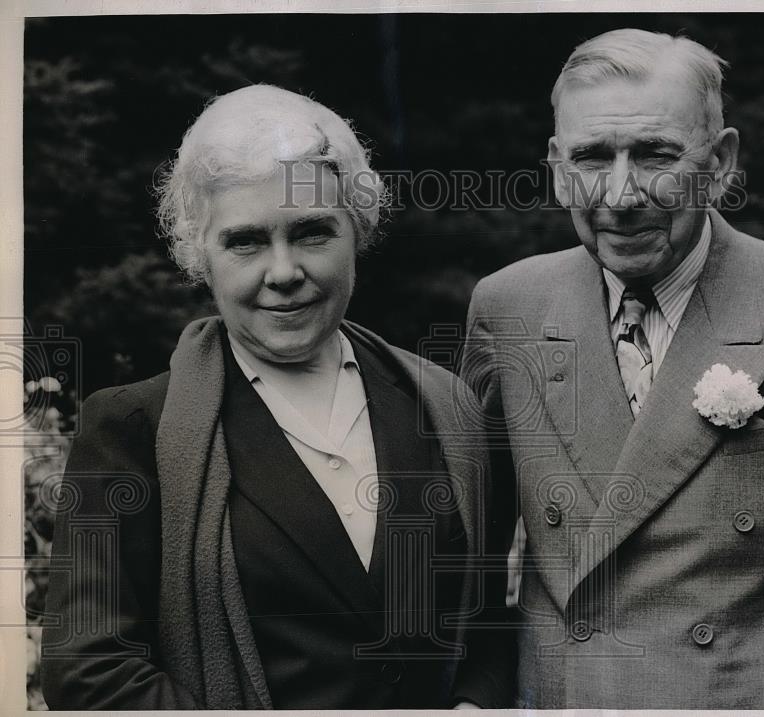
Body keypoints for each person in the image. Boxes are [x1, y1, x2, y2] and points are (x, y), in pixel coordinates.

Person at [462, 29, 764, 709]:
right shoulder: (506, 307)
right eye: (593, 158)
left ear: (720, 164)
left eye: (655, 154)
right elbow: (471, 572)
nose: (622, 195)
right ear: (557, 166)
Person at [41, 85, 510, 710]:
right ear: (198, 253)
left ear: (358, 230)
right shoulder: (131, 428)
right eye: (246, 241)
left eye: (312, 232)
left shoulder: (445, 408)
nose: (283, 271)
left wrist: (476, 704)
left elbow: (491, 620)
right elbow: (91, 671)